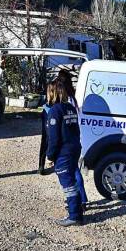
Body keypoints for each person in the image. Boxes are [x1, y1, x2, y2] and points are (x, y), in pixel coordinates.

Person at [45, 80, 83, 226]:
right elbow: (76, 130)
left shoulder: (55, 110)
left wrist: (50, 155)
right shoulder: (70, 108)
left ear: (52, 93)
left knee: (68, 184)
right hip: (74, 148)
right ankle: (77, 210)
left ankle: (74, 216)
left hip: (63, 152)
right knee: (72, 181)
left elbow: (53, 137)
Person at [56, 69, 89, 209]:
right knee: (74, 170)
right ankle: (80, 198)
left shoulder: (67, 99)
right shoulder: (73, 97)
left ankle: (79, 200)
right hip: (75, 138)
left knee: (73, 171)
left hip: (70, 140)